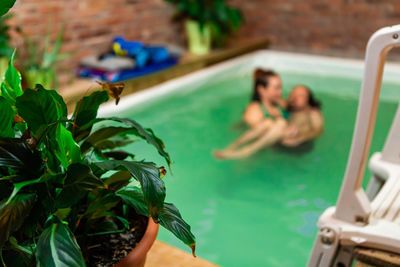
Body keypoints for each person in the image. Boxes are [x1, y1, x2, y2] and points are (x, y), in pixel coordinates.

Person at [213, 85, 324, 159]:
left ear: (309, 101)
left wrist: (301, 138)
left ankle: (246, 152)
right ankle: (232, 147)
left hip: (298, 145)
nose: (294, 97)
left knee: (280, 122)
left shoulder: (312, 112)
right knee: (268, 123)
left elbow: (318, 130)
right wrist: (241, 124)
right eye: (293, 93)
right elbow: (271, 111)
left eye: (301, 95)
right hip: (279, 139)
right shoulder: (288, 108)